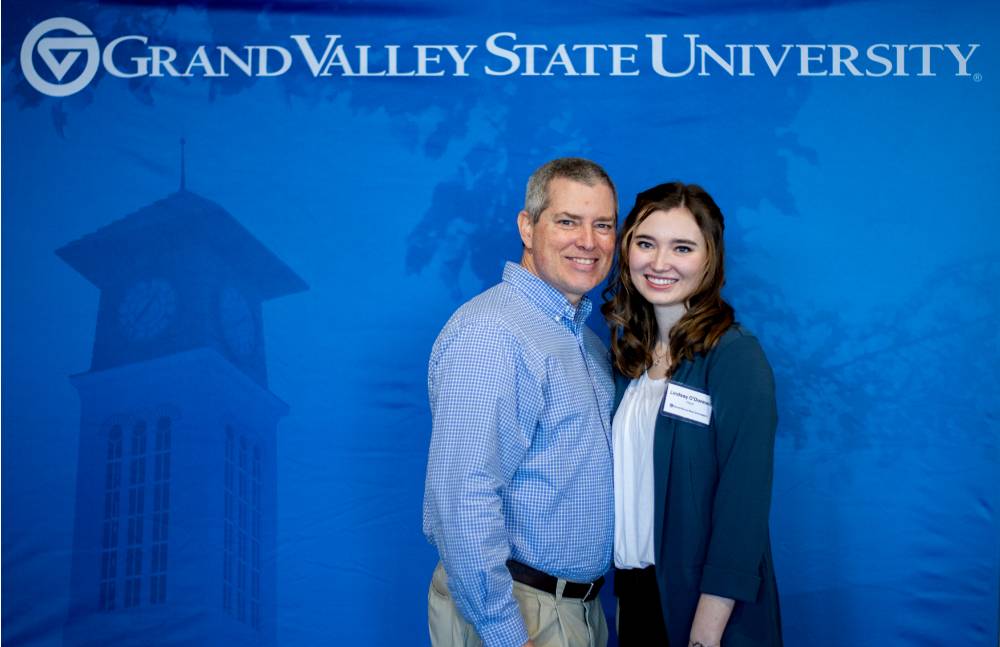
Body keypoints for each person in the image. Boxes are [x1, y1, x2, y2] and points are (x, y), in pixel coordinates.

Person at [423, 158, 619, 647]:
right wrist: (503, 631)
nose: (588, 241)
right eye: (568, 221)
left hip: (578, 611)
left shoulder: (586, 344)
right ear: (527, 227)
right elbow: (461, 496)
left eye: (603, 225)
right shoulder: (493, 333)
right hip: (518, 614)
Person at [602, 183, 782, 647]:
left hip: (710, 613)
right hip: (635, 598)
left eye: (682, 247)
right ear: (627, 251)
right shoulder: (628, 364)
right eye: (646, 244)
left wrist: (705, 632)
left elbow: (743, 505)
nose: (659, 263)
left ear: (710, 258)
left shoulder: (734, 358)